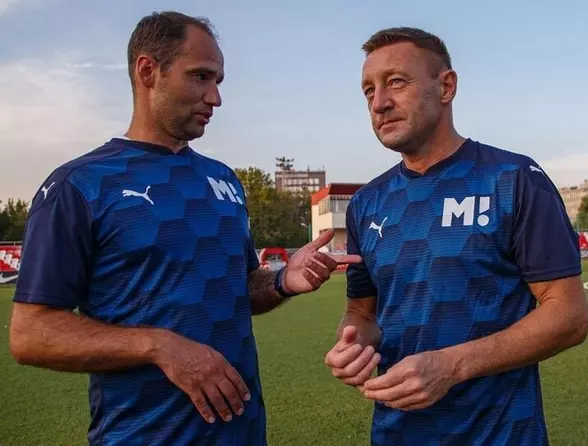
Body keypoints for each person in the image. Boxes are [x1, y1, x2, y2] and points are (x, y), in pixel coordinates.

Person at [8, 11, 361, 446]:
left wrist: (282, 280)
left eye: (218, 81)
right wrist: (158, 346)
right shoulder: (79, 185)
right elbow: (32, 334)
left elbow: (242, 287)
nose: (215, 97)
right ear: (147, 71)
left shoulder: (224, 180)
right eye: (200, 77)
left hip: (243, 432)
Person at [324, 27, 588, 445]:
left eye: (397, 82)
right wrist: (353, 342)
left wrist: (452, 366)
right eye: (368, 91)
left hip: (502, 436)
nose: (379, 103)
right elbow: (363, 313)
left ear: (446, 86)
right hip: (397, 434)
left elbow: (569, 317)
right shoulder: (366, 203)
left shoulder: (513, 179)